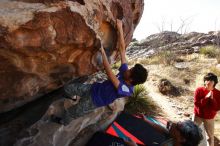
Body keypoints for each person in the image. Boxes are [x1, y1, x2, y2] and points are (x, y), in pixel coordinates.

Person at [51, 19, 148, 125]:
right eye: (130, 68)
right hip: (93, 88)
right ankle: (73, 97)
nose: (128, 69)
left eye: (130, 71)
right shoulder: (126, 74)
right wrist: (119, 28)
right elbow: (122, 50)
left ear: (131, 79)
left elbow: (110, 73)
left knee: (73, 112)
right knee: (68, 89)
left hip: (94, 101)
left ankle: (62, 121)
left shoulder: (126, 89)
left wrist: (102, 52)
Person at [124, 115, 203, 146]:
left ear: (182, 139)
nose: (173, 124)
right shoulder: (175, 139)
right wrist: (147, 121)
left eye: (178, 126)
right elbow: (163, 130)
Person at [193, 72, 220, 146]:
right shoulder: (199, 90)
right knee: (192, 132)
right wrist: (206, 98)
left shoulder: (218, 93)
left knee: (210, 136)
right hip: (197, 115)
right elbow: (196, 104)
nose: (207, 83)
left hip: (209, 118)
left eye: (210, 81)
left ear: (214, 83)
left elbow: (217, 108)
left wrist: (212, 99)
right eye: (206, 80)